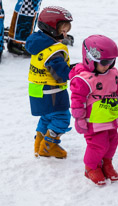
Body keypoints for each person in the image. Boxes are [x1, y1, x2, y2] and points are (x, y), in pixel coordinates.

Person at [69, 34, 118, 186]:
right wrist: (79, 119)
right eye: (104, 62)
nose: (108, 66)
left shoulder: (112, 73)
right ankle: (90, 167)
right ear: (90, 59)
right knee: (98, 145)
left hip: (110, 116)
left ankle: (107, 163)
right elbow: (77, 101)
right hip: (93, 120)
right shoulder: (83, 79)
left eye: (111, 61)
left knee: (113, 141)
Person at [25, 6, 73, 158]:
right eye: (63, 30)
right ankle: (49, 146)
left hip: (37, 89)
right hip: (52, 91)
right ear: (52, 28)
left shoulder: (38, 42)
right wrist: (78, 70)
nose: (65, 35)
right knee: (62, 118)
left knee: (47, 116)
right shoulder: (54, 51)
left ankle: (39, 142)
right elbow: (61, 75)